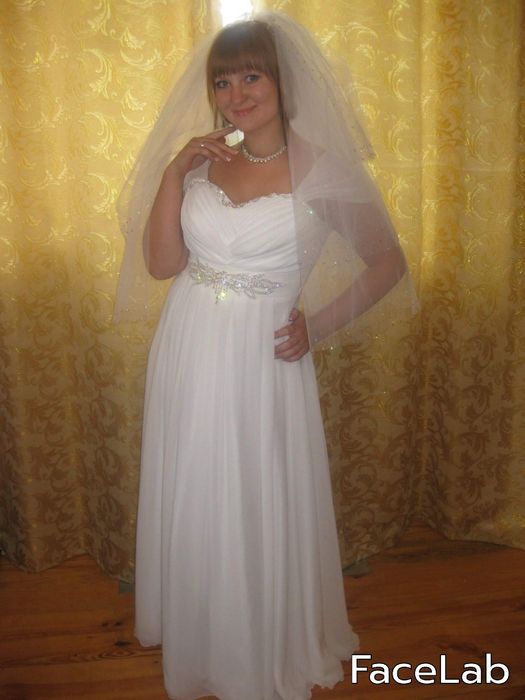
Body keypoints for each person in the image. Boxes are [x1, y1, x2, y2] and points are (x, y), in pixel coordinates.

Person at [115, 11, 413, 700]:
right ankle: (199, 626)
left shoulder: (323, 171)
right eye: (223, 82)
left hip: (261, 358)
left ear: (283, 81)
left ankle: (254, 641)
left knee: (251, 488)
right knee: (195, 483)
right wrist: (175, 171)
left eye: (250, 77)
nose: (236, 95)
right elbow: (162, 265)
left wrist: (318, 325)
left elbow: (387, 262)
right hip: (187, 343)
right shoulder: (206, 161)